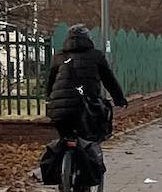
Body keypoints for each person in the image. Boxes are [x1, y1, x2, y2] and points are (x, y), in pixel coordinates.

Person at [44, 27, 128, 173]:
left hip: (58, 109)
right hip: (85, 107)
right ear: (88, 39)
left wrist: (50, 99)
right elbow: (109, 80)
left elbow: (50, 82)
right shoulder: (96, 56)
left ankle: (62, 180)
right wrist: (119, 99)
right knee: (89, 137)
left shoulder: (59, 56)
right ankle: (86, 177)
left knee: (65, 139)